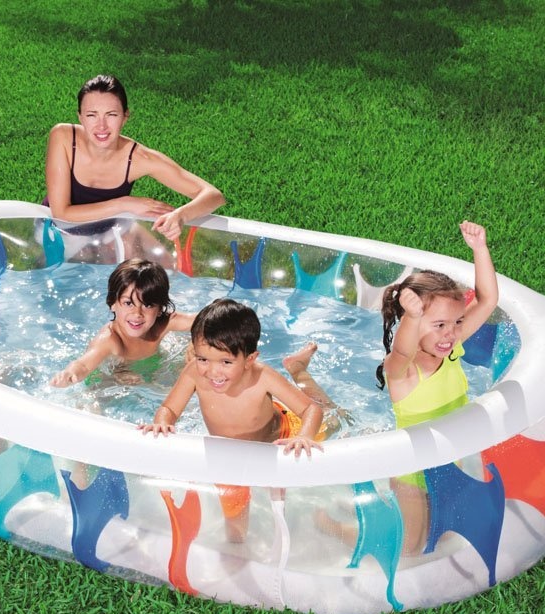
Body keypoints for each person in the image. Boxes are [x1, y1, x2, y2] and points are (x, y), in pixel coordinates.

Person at [318, 221, 499, 554]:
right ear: (411, 324)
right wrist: (412, 318)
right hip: (411, 472)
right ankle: (335, 528)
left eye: (456, 322)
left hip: (449, 461)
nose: (450, 333)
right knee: (410, 546)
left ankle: (370, 516)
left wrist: (480, 249)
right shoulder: (403, 372)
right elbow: (401, 351)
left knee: (441, 531)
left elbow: (487, 301)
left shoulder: (452, 349)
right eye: (439, 325)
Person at [138, 298, 340, 458]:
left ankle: (298, 369)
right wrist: (162, 422)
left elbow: (311, 409)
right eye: (203, 359)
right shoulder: (194, 372)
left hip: (285, 434)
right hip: (235, 451)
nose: (213, 372)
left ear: (249, 360)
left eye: (226, 362)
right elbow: (169, 409)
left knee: (335, 418)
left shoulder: (262, 376)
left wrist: (304, 436)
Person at [44, 74, 225, 243]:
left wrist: (180, 215)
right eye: (92, 115)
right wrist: (124, 204)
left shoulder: (139, 158)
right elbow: (61, 213)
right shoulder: (63, 137)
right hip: (54, 232)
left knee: (163, 262)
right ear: (80, 117)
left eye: (111, 115)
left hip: (107, 234)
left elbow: (213, 196)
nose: (101, 126)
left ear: (125, 117)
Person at [50, 258, 194, 387]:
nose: (137, 313)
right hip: (107, 378)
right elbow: (84, 365)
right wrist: (70, 375)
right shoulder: (109, 340)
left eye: (148, 305)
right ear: (113, 303)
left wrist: (195, 342)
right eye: (128, 303)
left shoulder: (162, 324)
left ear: (159, 309)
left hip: (148, 369)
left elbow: (204, 320)